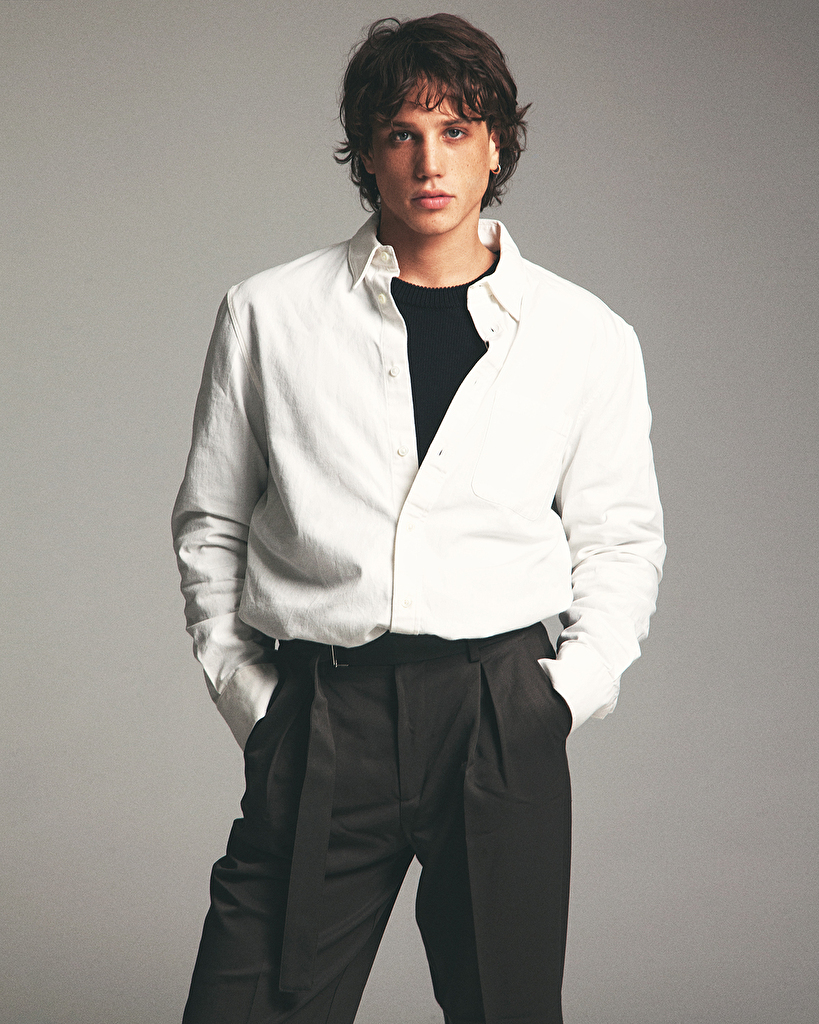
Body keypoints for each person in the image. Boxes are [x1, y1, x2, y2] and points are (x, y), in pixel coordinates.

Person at [172, 13, 665, 1024]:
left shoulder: (584, 336)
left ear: (496, 148)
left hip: (498, 711)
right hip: (324, 712)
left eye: (455, 130)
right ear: (366, 151)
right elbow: (211, 522)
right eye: (401, 132)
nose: (429, 161)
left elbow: (620, 538)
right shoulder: (269, 314)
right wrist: (250, 699)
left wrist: (562, 697)